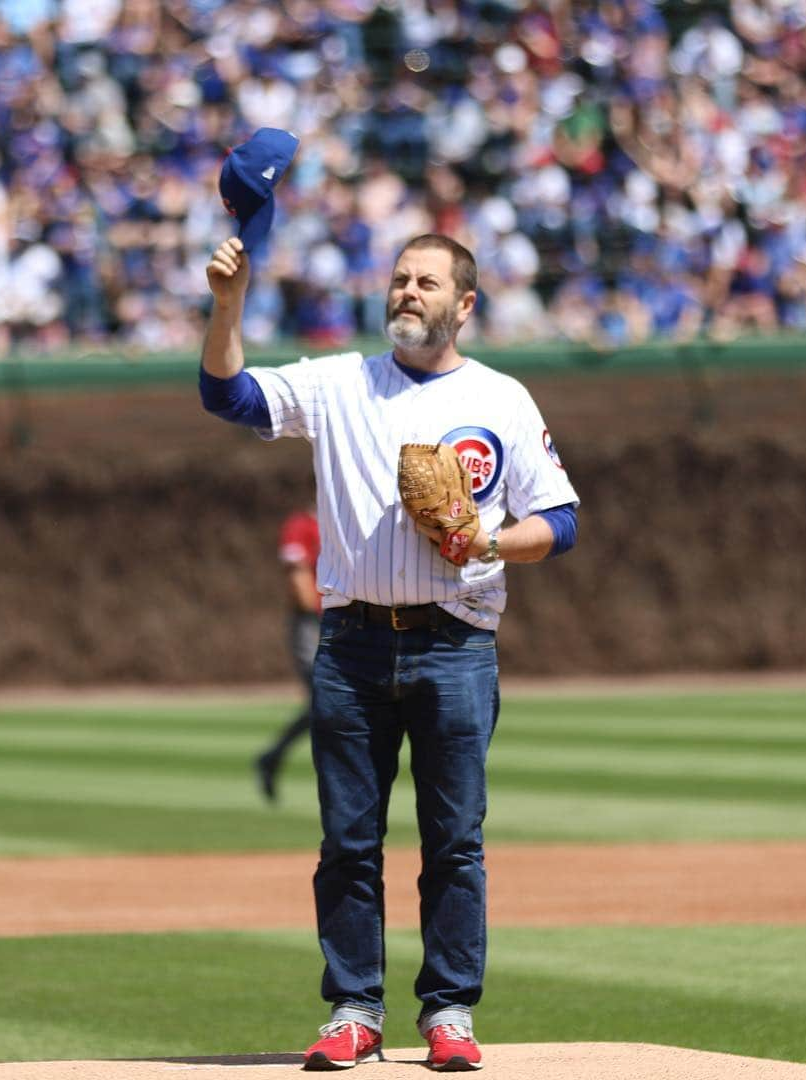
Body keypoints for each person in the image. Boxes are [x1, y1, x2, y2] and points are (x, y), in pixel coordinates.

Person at [200, 231, 579, 1072]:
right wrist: (229, 306)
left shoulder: (503, 399)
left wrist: (490, 540)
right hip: (353, 645)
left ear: (465, 304)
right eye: (401, 279)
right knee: (349, 842)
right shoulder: (338, 382)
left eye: (428, 282)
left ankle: (449, 1013)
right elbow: (225, 395)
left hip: (456, 644)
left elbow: (561, 522)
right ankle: (354, 1009)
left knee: (454, 841)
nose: (409, 292)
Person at [255, 504, 321, 803]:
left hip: (343, 622)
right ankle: (273, 757)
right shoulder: (302, 524)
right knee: (326, 698)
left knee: (329, 703)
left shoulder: (345, 520)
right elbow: (299, 577)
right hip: (314, 625)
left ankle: (272, 756)